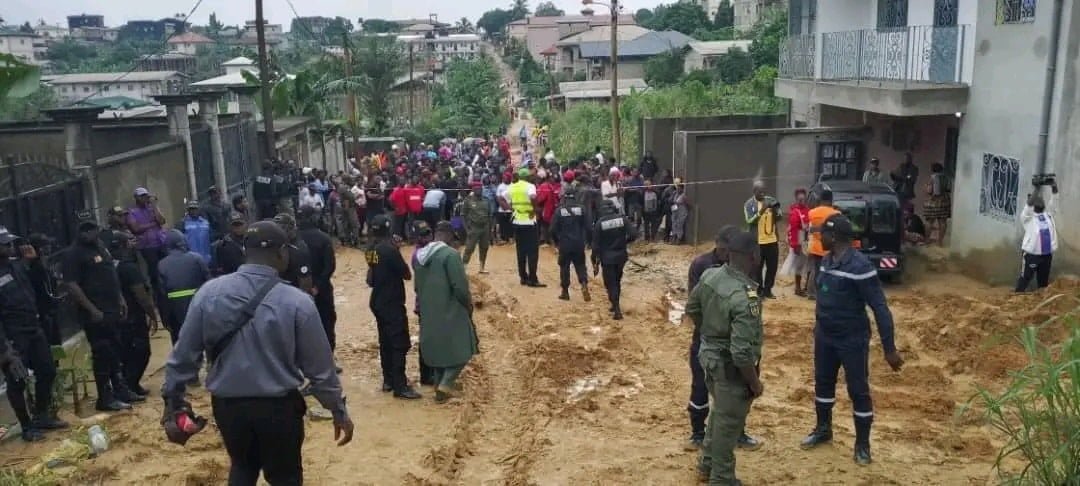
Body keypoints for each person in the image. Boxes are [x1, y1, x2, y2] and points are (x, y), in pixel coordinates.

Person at [161, 221, 353, 485]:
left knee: (242, 468)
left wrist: (173, 398)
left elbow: (183, 355)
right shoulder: (298, 302)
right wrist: (338, 410)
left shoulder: (209, 294)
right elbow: (320, 369)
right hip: (279, 408)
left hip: (229, 408)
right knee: (285, 476)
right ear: (282, 253)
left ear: (244, 251)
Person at [801, 214, 904, 465]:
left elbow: (880, 308)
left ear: (834, 237)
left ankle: (862, 445)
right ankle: (823, 429)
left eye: (822, 233)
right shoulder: (826, 261)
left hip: (852, 340)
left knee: (858, 391)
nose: (819, 237)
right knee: (823, 385)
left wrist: (889, 349)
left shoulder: (861, 268)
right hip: (825, 337)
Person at [686, 231, 764, 485]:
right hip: (729, 368)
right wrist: (754, 383)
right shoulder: (745, 296)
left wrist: (710, 331)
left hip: (707, 357)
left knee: (719, 415)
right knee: (728, 423)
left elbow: (692, 309)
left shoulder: (710, 276)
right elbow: (741, 353)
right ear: (753, 257)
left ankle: (706, 465)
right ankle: (721, 477)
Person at [0, 227, 69, 441]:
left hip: (33, 327)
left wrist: (36, 261)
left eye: (11, 243)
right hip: (12, 336)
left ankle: (41, 415)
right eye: (5, 244)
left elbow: (41, 285)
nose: (11, 246)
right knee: (17, 381)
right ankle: (26, 426)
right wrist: (5, 350)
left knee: (47, 370)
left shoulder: (17, 266)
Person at [63, 219, 139, 411]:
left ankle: (121, 391)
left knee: (115, 351)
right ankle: (105, 398)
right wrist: (91, 309)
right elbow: (72, 285)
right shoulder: (73, 254)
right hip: (95, 314)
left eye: (95, 229)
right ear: (82, 233)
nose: (94, 233)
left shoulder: (100, 246)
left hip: (112, 308)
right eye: (89, 231)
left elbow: (110, 273)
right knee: (103, 354)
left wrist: (120, 298)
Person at [415, 222, 479, 403]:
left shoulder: (419, 257)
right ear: (450, 236)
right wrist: (468, 305)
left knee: (438, 348)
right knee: (466, 346)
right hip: (450, 307)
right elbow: (459, 287)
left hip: (428, 309)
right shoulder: (450, 255)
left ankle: (438, 383)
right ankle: (446, 383)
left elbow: (416, 287)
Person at [365, 215, 423, 400]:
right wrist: (397, 249)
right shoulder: (389, 250)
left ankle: (388, 380)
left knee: (385, 341)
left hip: (377, 301)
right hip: (391, 302)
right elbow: (406, 274)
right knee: (399, 342)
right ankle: (400, 385)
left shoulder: (370, 249)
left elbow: (370, 279)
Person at [110, 231, 159, 397]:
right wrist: (152, 315)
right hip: (133, 316)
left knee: (125, 353)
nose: (134, 243)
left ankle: (130, 385)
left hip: (118, 317)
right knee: (141, 351)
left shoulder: (111, 265)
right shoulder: (128, 267)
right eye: (130, 241)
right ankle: (129, 386)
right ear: (125, 245)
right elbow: (141, 295)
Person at [298, 207, 338, 358]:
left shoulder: (293, 239)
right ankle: (328, 359)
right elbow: (330, 266)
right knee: (326, 322)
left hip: (298, 290)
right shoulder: (323, 238)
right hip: (321, 289)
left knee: (302, 325)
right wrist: (318, 286)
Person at [158, 230, 210, 346]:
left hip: (175, 312)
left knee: (179, 344)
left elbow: (161, 295)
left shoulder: (162, 264)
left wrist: (165, 318)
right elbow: (209, 284)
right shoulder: (197, 258)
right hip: (197, 307)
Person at [591, 199, 636, 320]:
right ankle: (614, 304)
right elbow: (633, 234)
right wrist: (624, 242)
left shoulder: (599, 223)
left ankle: (616, 309)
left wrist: (594, 260)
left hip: (607, 258)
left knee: (610, 283)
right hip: (621, 256)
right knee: (617, 280)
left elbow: (595, 246)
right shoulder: (623, 219)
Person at [501, 169, 545, 287]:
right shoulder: (530, 186)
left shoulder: (512, 187)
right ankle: (532, 279)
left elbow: (501, 197)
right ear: (527, 177)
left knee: (520, 251)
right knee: (532, 252)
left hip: (517, 222)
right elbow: (533, 197)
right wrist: (534, 209)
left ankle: (523, 277)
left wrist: (509, 208)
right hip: (529, 222)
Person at [1016, 180, 1059, 292]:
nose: (1040, 199)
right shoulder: (1027, 218)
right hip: (1032, 255)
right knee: (1025, 279)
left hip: (1046, 255)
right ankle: (1015, 299)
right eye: (1036, 198)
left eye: (1040, 198)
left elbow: (1054, 202)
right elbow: (1029, 205)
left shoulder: (1048, 214)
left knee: (1043, 283)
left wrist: (1054, 187)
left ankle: (1039, 305)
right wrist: (1036, 189)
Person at [551, 190, 591, 302]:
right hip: (579, 243)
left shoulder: (560, 211)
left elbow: (552, 229)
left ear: (565, 198)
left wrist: (557, 242)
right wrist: (588, 241)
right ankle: (583, 283)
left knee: (564, 267)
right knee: (580, 265)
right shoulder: (582, 209)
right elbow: (589, 227)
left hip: (565, 244)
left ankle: (565, 292)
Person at [127, 187, 167, 301]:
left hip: (160, 243)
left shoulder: (152, 209)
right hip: (147, 247)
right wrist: (152, 224)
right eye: (142, 196)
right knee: (153, 273)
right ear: (136, 198)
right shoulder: (132, 212)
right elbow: (136, 228)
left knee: (164, 270)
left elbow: (162, 221)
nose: (145, 198)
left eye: (146, 196)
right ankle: (157, 295)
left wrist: (154, 206)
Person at [743, 181, 782, 299]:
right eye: (760, 192)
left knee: (772, 267)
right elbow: (749, 221)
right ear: (754, 192)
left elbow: (780, 217)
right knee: (757, 267)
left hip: (772, 240)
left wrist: (775, 211)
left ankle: (768, 290)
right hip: (757, 242)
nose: (763, 194)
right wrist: (761, 211)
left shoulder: (771, 200)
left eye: (764, 191)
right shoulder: (749, 204)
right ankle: (759, 290)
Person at [806, 190, 840, 300]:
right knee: (828, 272)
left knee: (815, 270)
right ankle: (825, 291)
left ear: (820, 199)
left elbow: (809, 229)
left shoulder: (812, 212)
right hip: (829, 247)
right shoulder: (836, 213)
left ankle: (811, 292)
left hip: (815, 246)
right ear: (831, 199)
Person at [274, 213, 314, 295]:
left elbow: (305, 281)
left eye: (281, 228)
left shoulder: (299, 249)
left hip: (295, 293)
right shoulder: (278, 245)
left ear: (289, 228)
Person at [783, 189, 812, 297]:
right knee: (799, 265)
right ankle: (798, 288)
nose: (802, 201)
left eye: (804, 199)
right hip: (799, 240)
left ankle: (806, 287)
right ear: (796, 200)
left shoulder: (808, 210)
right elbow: (793, 229)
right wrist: (795, 244)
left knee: (807, 264)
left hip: (806, 240)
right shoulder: (795, 212)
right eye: (800, 200)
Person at [461, 181, 493, 273]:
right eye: (477, 189)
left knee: (484, 248)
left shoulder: (486, 200)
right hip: (474, 227)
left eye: (480, 188)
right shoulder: (468, 200)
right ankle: (464, 269)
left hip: (485, 227)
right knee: (469, 248)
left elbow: (490, 215)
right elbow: (463, 215)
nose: (479, 190)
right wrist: (467, 229)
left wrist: (490, 229)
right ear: (473, 189)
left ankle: (482, 268)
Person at [923, 163, 952, 245]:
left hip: (933, 202)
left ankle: (927, 240)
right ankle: (940, 241)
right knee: (942, 222)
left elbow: (931, 191)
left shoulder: (933, 177)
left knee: (929, 221)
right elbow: (949, 189)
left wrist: (926, 187)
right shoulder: (947, 177)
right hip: (945, 201)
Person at [670, 180, 690, 244]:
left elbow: (688, 204)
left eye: (679, 188)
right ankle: (674, 237)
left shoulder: (683, 196)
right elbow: (672, 201)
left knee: (679, 225)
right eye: (677, 188)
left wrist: (688, 209)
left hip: (681, 212)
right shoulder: (675, 194)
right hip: (675, 210)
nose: (678, 189)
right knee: (674, 224)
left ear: (682, 189)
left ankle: (679, 238)